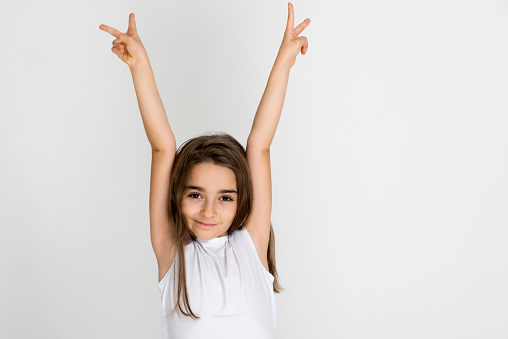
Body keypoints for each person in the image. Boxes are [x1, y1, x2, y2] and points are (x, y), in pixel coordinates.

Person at [99, 3, 310, 338]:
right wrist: (139, 68)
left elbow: (259, 145)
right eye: (195, 194)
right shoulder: (172, 253)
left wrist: (284, 62)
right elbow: (162, 147)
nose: (209, 210)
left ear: (242, 201)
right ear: (177, 196)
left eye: (225, 198)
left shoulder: (251, 245)